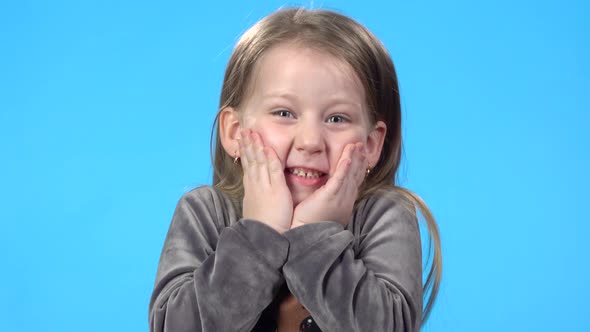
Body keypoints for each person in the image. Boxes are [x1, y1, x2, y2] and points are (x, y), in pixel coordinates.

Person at [149, 7, 442, 332]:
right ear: (234, 132)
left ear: (372, 145)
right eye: (284, 113)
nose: (310, 141)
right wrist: (259, 232)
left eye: (336, 118)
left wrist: (315, 233)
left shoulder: (385, 216)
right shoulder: (204, 212)